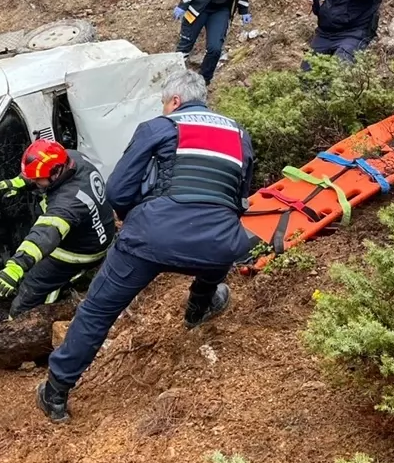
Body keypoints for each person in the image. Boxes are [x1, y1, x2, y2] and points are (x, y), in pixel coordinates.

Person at [36, 69, 255, 424]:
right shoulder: (239, 134)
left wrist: (140, 216)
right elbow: (238, 199)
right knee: (218, 240)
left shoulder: (159, 128)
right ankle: (199, 306)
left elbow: (117, 191)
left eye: (164, 103)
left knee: (97, 311)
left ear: (175, 101)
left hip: (148, 237)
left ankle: (56, 393)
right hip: (217, 243)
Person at [0, 139, 115, 317]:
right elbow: (44, 171)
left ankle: (24, 320)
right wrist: (20, 182)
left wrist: (15, 267)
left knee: (31, 287)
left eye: (38, 180)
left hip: (80, 251)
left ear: (56, 174)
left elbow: (44, 236)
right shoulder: (71, 157)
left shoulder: (67, 203)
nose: (36, 183)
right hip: (98, 230)